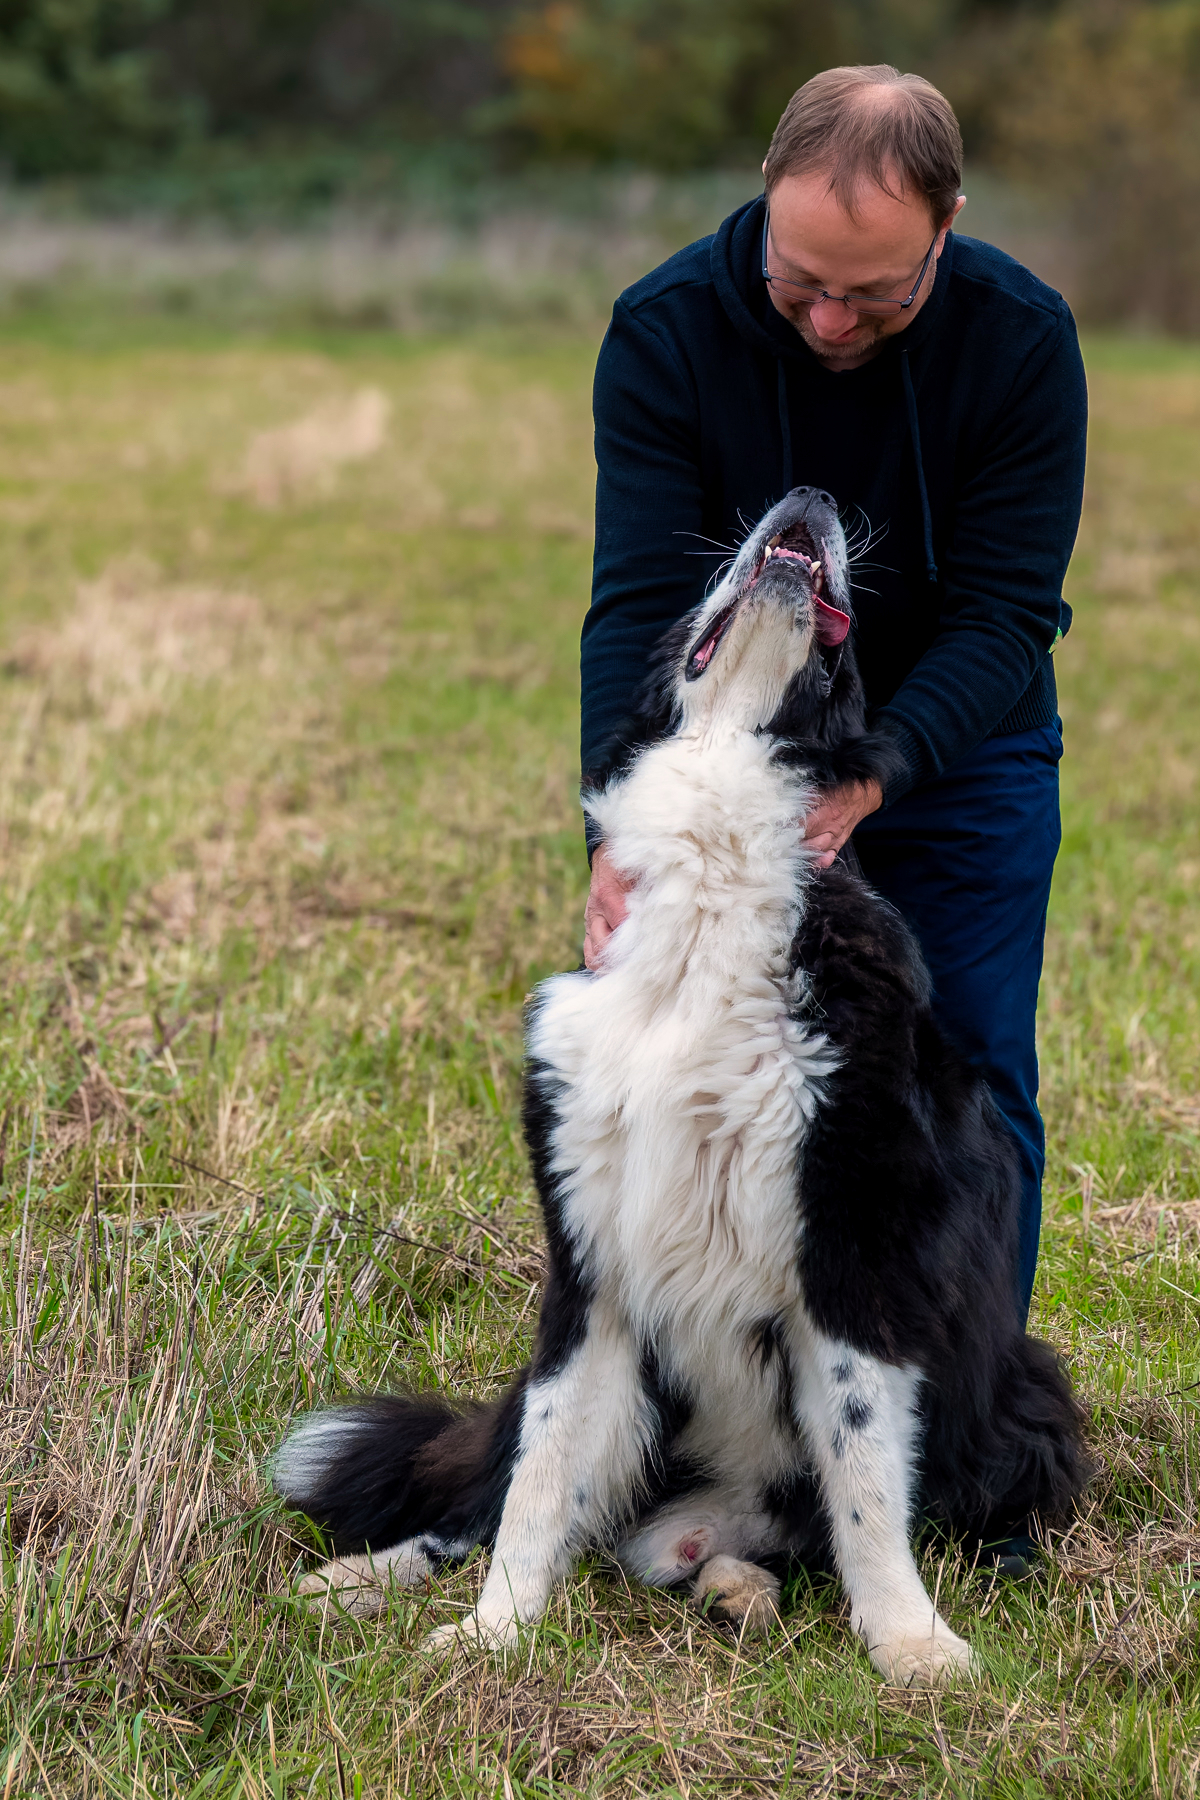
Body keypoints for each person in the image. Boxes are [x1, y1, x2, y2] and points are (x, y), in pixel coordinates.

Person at [579, 65, 1087, 1339]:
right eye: (802, 280)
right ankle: (723, 1408)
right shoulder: (667, 332)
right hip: (735, 766)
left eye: (875, 291)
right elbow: (637, 606)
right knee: (693, 1070)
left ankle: (965, 1431)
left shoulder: (1022, 342)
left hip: (960, 749)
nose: (830, 320)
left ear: (948, 222)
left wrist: (880, 772)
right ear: (766, 192)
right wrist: (613, 832)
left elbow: (1007, 614)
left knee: (962, 1072)